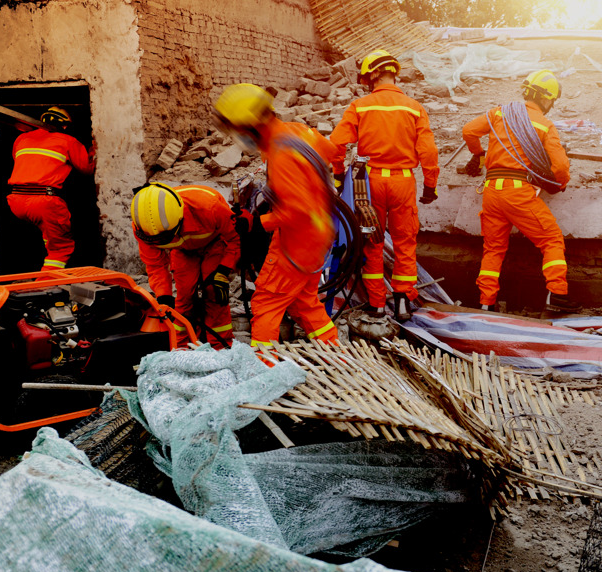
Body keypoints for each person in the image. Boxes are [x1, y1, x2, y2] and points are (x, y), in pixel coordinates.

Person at [213, 83, 339, 348]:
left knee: (267, 302)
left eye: (237, 130)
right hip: (318, 235)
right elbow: (330, 151)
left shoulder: (282, 155)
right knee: (304, 301)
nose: (237, 137)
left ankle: (265, 370)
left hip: (297, 240)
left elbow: (297, 209)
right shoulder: (295, 131)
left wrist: (257, 222)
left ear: (252, 126)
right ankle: (335, 353)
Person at [330, 49, 439, 321]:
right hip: (403, 181)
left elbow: (336, 144)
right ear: (393, 74)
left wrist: (338, 174)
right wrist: (430, 185)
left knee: (372, 241)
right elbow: (428, 151)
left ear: (373, 75)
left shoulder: (361, 106)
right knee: (405, 241)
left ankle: (377, 304)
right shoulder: (415, 108)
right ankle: (403, 300)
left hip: (370, 183)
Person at [460, 70, 580, 314]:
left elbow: (469, 131)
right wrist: (560, 183)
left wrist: (480, 155)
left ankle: (486, 302)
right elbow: (560, 167)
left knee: (493, 249)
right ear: (547, 99)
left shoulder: (498, 112)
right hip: (518, 192)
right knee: (551, 239)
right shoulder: (545, 125)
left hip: (492, 191)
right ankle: (557, 295)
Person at [131, 182, 240, 349]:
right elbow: (155, 265)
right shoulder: (143, 227)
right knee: (183, 297)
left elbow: (234, 240)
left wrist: (224, 270)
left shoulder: (210, 207)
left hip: (214, 244)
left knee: (214, 293)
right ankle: (181, 346)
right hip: (182, 251)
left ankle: (220, 347)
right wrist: (164, 296)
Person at [7, 107, 96, 271]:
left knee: (44, 237)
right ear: (64, 126)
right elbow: (87, 169)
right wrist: (92, 151)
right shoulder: (68, 141)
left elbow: (20, 161)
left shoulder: (21, 139)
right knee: (61, 248)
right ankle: (46, 287)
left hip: (16, 201)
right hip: (44, 201)